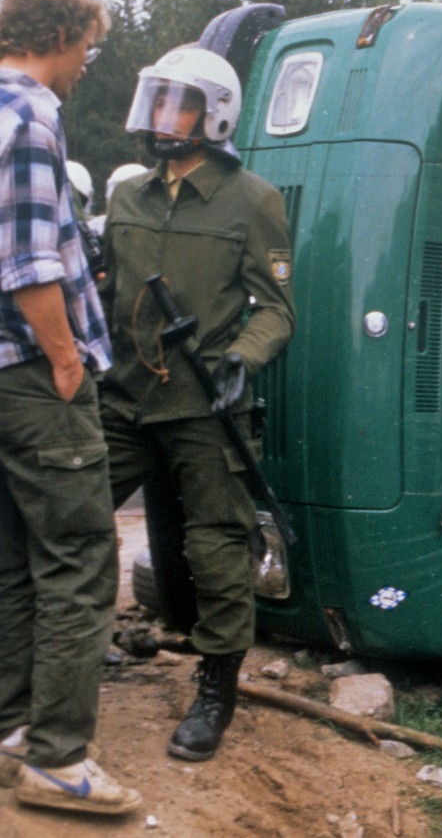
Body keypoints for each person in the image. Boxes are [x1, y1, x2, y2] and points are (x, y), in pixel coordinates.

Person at [99, 45, 296, 763]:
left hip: (204, 403)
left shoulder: (254, 200)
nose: (159, 116)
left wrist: (243, 357)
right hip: (121, 397)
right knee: (68, 515)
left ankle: (216, 688)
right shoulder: (127, 196)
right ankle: (51, 661)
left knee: (216, 548)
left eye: (175, 102)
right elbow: (105, 292)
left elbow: (277, 309)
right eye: (154, 98)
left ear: (212, 115)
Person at [0, 0, 140, 814]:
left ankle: (15, 728)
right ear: (57, 34)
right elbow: (28, 265)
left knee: (15, 556)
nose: (89, 62)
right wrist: (63, 360)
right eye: (88, 44)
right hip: (30, 371)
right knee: (82, 560)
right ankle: (57, 759)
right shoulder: (29, 117)